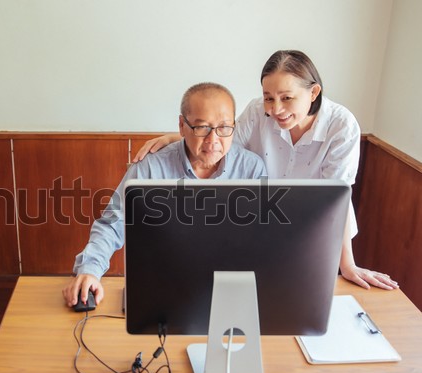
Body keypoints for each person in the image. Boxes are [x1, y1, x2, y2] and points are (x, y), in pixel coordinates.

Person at [133, 50, 398, 291]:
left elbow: (336, 200)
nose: (276, 109)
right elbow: (220, 146)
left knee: (307, 301)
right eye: (269, 98)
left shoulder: (341, 127)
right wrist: (181, 138)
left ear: (314, 92)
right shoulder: (258, 113)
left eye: (287, 98)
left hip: (317, 227)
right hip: (266, 224)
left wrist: (347, 265)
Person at [63, 82, 267, 307]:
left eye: (224, 128)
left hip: (229, 292)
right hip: (162, 288)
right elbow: (113, 223)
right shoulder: (151, 168)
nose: (213, 140)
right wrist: (90, 270)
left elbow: (261, 239)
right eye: (202, 128)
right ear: (182, 125)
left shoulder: (252, 169)